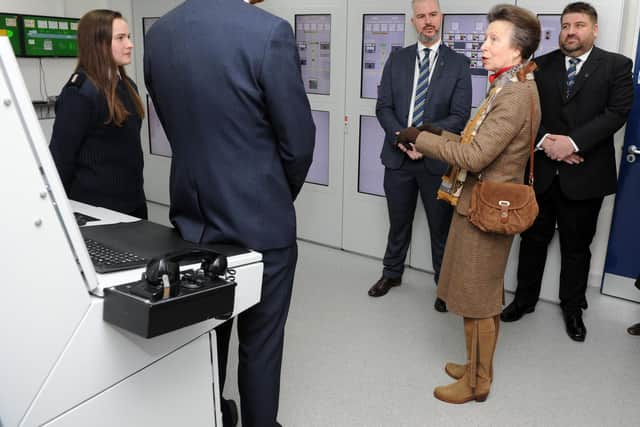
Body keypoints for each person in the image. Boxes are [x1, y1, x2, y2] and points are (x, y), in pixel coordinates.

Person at [143, 0, 315, 426]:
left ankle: (211, 414)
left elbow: (171, 120)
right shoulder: (269, 33)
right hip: (260, 222)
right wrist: (273, 194)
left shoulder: (160, 34)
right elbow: (299, 142)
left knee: (204, 335)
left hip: (192, 219)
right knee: (260, 341)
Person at [397, 4, 541, 404]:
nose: (484, 45)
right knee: (481, 297)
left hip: (486, 209)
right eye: (486, 37)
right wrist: (438, 130)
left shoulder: (513, 94)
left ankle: (478, 382)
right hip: (481, 204)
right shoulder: (510, 83)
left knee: (477, 301)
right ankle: (476, 365)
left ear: (518, 49)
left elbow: (476, 157)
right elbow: (479, 142)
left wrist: (423, 140)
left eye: (494, 39)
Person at [501, 2, 634, 343]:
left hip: (586, 175)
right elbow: (527, 110)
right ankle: (524, 300)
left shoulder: (617, 66)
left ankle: (573, 309)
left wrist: (573, 144)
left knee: (577, 248)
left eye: (578, 25)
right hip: (542, 173)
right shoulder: (540, 66)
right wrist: (547, 142)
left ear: (594, 29)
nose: (570, 32)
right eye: (564, 25)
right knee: (532, 241)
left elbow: (616, 113)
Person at [368, 0, 472, 313]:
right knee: (398, 223)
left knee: (441, 230)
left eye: (433, 14)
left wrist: (421, 140)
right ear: (413, 21)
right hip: (398, 158)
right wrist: (401, 138)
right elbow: (383, 107)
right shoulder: (396, 60)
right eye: (421, 16)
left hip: (436, 161)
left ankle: (444, 286)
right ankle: (391, 274)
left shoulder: (458, 64)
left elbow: (459, 116)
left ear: (441, 18)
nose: (428, 21)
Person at [50, 10, 147, 219]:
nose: (129, 44)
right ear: (98, 43)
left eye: (128, 37)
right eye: (120, 38)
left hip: (133, 204)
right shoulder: (80, 92)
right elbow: (61, 158)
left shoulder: (127, 86)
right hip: (96, 211)